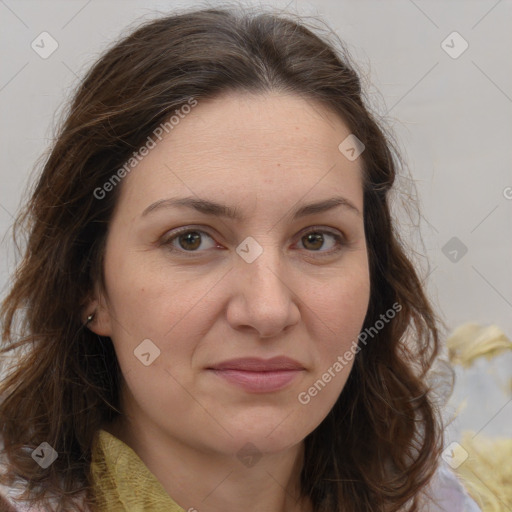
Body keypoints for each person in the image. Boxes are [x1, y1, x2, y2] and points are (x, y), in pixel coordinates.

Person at [0, 6, 482, 512]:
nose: (268, 310)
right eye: (191, 240)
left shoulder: (432, 496)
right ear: (87, 283)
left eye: (316, 239)